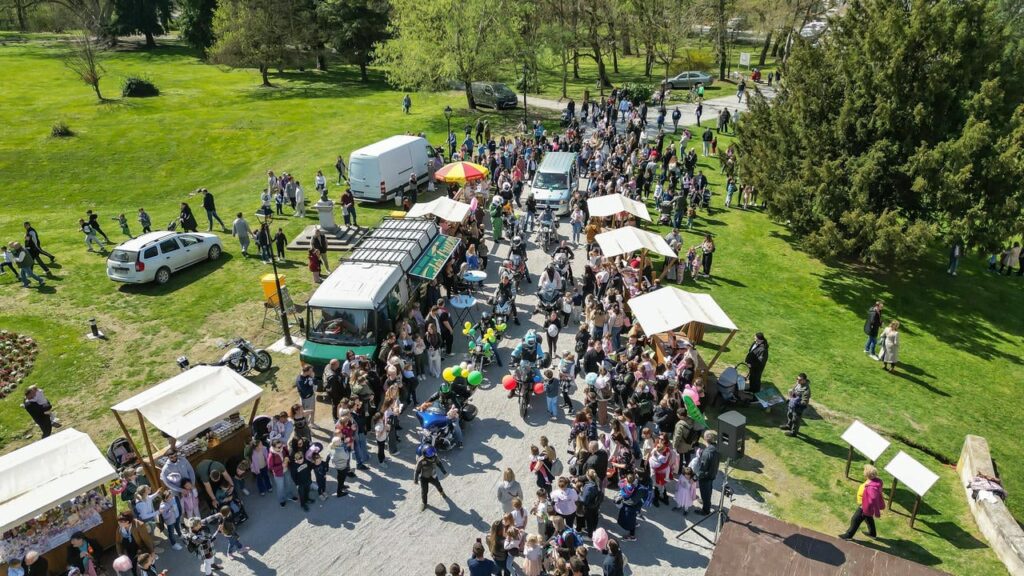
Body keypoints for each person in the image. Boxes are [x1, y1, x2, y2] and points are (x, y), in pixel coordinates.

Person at [839, 465, 885, 540]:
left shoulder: (870, 487)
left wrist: (864, 507)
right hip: (868, 506)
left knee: (855, 519)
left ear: (867, 474)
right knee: (868, 518)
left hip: (864, 506)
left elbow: (872, 498)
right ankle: (872, 534)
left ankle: (848, 535)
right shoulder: (877, 481)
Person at [414, 445, 448, 511]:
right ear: (424, 454)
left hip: (433, 475)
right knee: (424, 491)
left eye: (432, 452)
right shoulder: (421, 461)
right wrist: (415, 479)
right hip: (423, 478)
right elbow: (417, 470)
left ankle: (442, 492)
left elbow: (439, 464)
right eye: (430, 453)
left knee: (438, 485)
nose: (432, 455)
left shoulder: (435, 457)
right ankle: (424, 503)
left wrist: (444, 472)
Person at [695, 431, 720, 515]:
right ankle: (706, 502)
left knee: (705, 492)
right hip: (712, 473)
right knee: (709, 490)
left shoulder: (706, 452)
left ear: (705, 439)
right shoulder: (716, 448)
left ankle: (706, 510)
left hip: (705, 477)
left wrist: (696, 476)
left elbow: (703, 468)